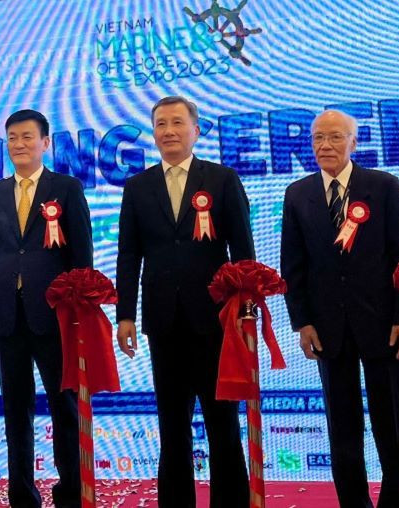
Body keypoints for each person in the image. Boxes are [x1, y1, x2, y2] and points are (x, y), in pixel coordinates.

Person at [115, 96, 254, 507]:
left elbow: (242, 251)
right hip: (163, 321)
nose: (169, 131)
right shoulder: (137, 187)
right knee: (172, 426)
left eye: (177, 122)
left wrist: (246, 310)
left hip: (216, 319)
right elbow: (128, 255)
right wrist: (125, 315)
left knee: (222, 423)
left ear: (196, 130)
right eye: (161, 124)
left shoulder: (222, 179)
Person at [280, 109, 399, 507]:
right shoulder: (297, 194)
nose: (325, 145)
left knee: (393, 429)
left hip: (384, 326)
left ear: (353, 142)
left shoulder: (383, 186)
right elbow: (293, 265)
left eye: (335, 137)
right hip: (328, 330)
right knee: (343, 432)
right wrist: (302, 321)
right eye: (318, 138)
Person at [0, 109, 92, 508]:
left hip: (56, 316)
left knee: (65, 407)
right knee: (15, 410)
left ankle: (71, 493)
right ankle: (22, 495)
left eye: (27, 137)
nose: (19, 145)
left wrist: (80, 312)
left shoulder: (67, 188)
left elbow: (82, 257)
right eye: (12, 138)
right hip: (6, 317)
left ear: (45, 142)